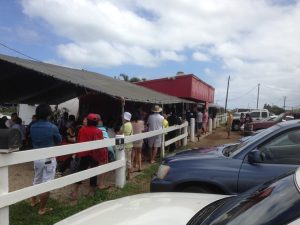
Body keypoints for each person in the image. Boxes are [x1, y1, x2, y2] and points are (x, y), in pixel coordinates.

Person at [30, 104, 62, 215]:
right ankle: (42, 209)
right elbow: (58, 141)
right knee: (47, 183)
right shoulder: (52, 127)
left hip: (36, 158)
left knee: (37, 179)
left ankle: (33, 201)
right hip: (49, 158)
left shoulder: (32, 126)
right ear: (49, 114)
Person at [71, 113, 105, 199]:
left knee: (80, 172)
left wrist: (77, 152)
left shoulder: (82, 129)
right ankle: (91, 192)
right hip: (95, 155)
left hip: (84, 154)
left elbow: (79, 141)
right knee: (94, 173)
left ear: (88, 121)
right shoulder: (99, 131)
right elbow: (101, 145)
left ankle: (75, 192)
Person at [95, 114, 110, 189]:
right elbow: (107, 141)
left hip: (96, 150)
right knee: (103, 165)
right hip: (103, 150)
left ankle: (98, 183)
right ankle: (101, 184)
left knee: (98, 165)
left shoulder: (94, 129)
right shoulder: (102, 129)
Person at [119, 112, 133, 179]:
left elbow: (120, 134)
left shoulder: (124, 125)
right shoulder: (130, 124)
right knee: (129, 160)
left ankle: (123, 175)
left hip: (124, 145)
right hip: (130, 144)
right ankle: (129, 175)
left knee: (123, 160)